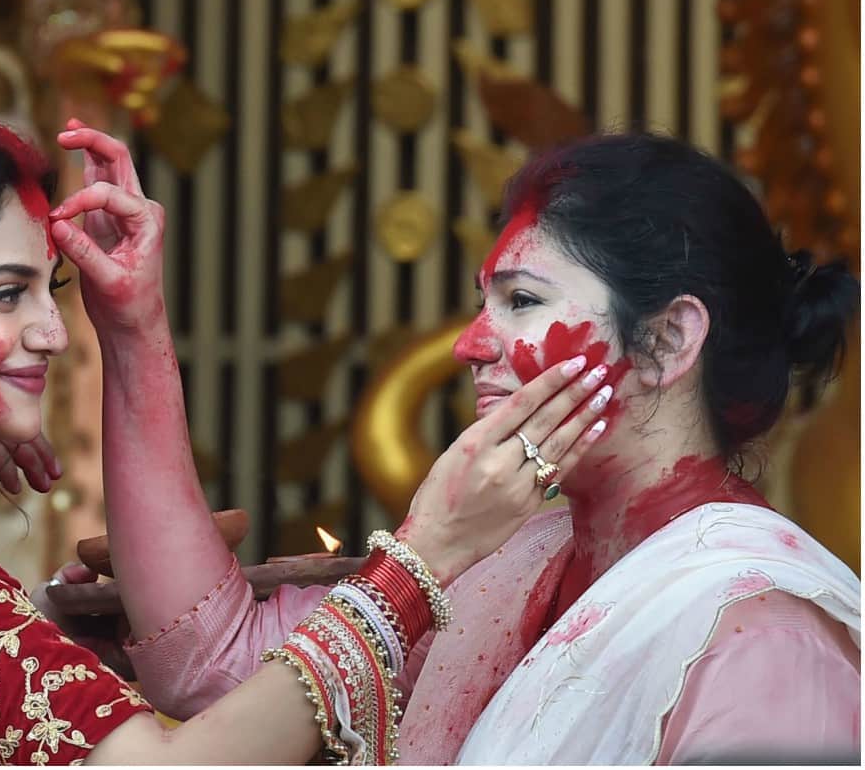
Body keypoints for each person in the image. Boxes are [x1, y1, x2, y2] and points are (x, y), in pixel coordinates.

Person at [0, 94, 612, 765]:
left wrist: (63, 646)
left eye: (55, 289)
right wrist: (423, 560)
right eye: (5, 293)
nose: (48, 331)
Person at [69, 133, 862, 764]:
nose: (470, 345)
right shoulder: (514, 559)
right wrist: (132, 326)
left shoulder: (766, 636)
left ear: (665, 340)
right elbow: (212, 664)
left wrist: (425, 555)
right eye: (483, 302)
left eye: (521, 300)